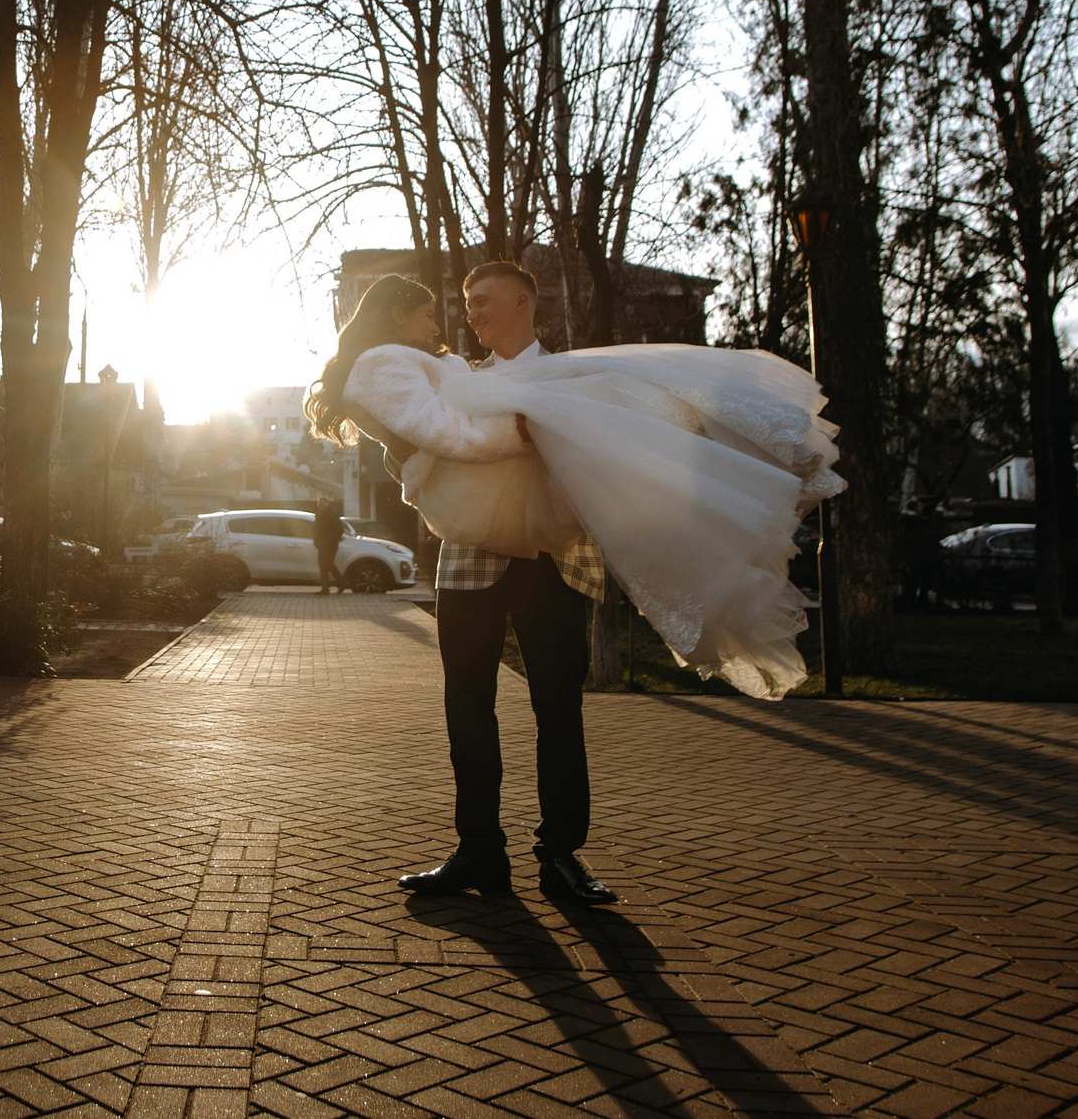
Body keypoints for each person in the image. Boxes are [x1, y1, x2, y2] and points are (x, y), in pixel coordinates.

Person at [303, 267, 841, 906]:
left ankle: (561, 854)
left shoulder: (581, 383)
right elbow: (423, 444)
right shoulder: (454, 378)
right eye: (465, 304)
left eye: (481, 302)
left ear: (522, 301)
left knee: (558, 709)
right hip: (469, 560)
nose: (468, 315)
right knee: (466, 707)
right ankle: (478, 851)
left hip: (557, 561)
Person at [311, 495, 346, 595]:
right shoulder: (319, 514)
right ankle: (325, 588)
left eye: (322, 503)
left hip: (330, 545)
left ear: (327, 504)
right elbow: (316, 529)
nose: (320, 505)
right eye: (319, 504)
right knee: (322, 566)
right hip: (321, 545)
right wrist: (316, 541)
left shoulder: (333, 515)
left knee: (328, 564)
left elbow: (340, 530)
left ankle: (342, 582)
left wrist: (331, 540)